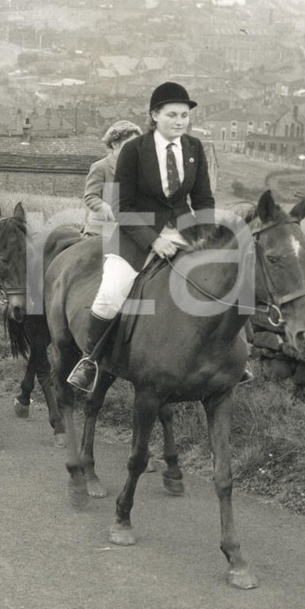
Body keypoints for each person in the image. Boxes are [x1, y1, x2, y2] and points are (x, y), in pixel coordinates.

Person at [67, 81, 215, 392]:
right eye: (172, 115)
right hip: (135, 237)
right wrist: (153, 240)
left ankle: (224, 358)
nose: (180, 122)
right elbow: (122, 206)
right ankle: (90, 360)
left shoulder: (194, 149)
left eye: (185, 116)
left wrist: (205, 234)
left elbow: (203, 199)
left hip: (184, 233)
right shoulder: (134, 150)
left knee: (216, 283)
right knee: (110, 295)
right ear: (155, 116)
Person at [81, 120, 142, 236]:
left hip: (129, 229)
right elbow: (90, 197)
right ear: (115, 144)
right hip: (100, 229)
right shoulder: (100, 167)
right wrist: (110, 212)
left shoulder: (138, 169)